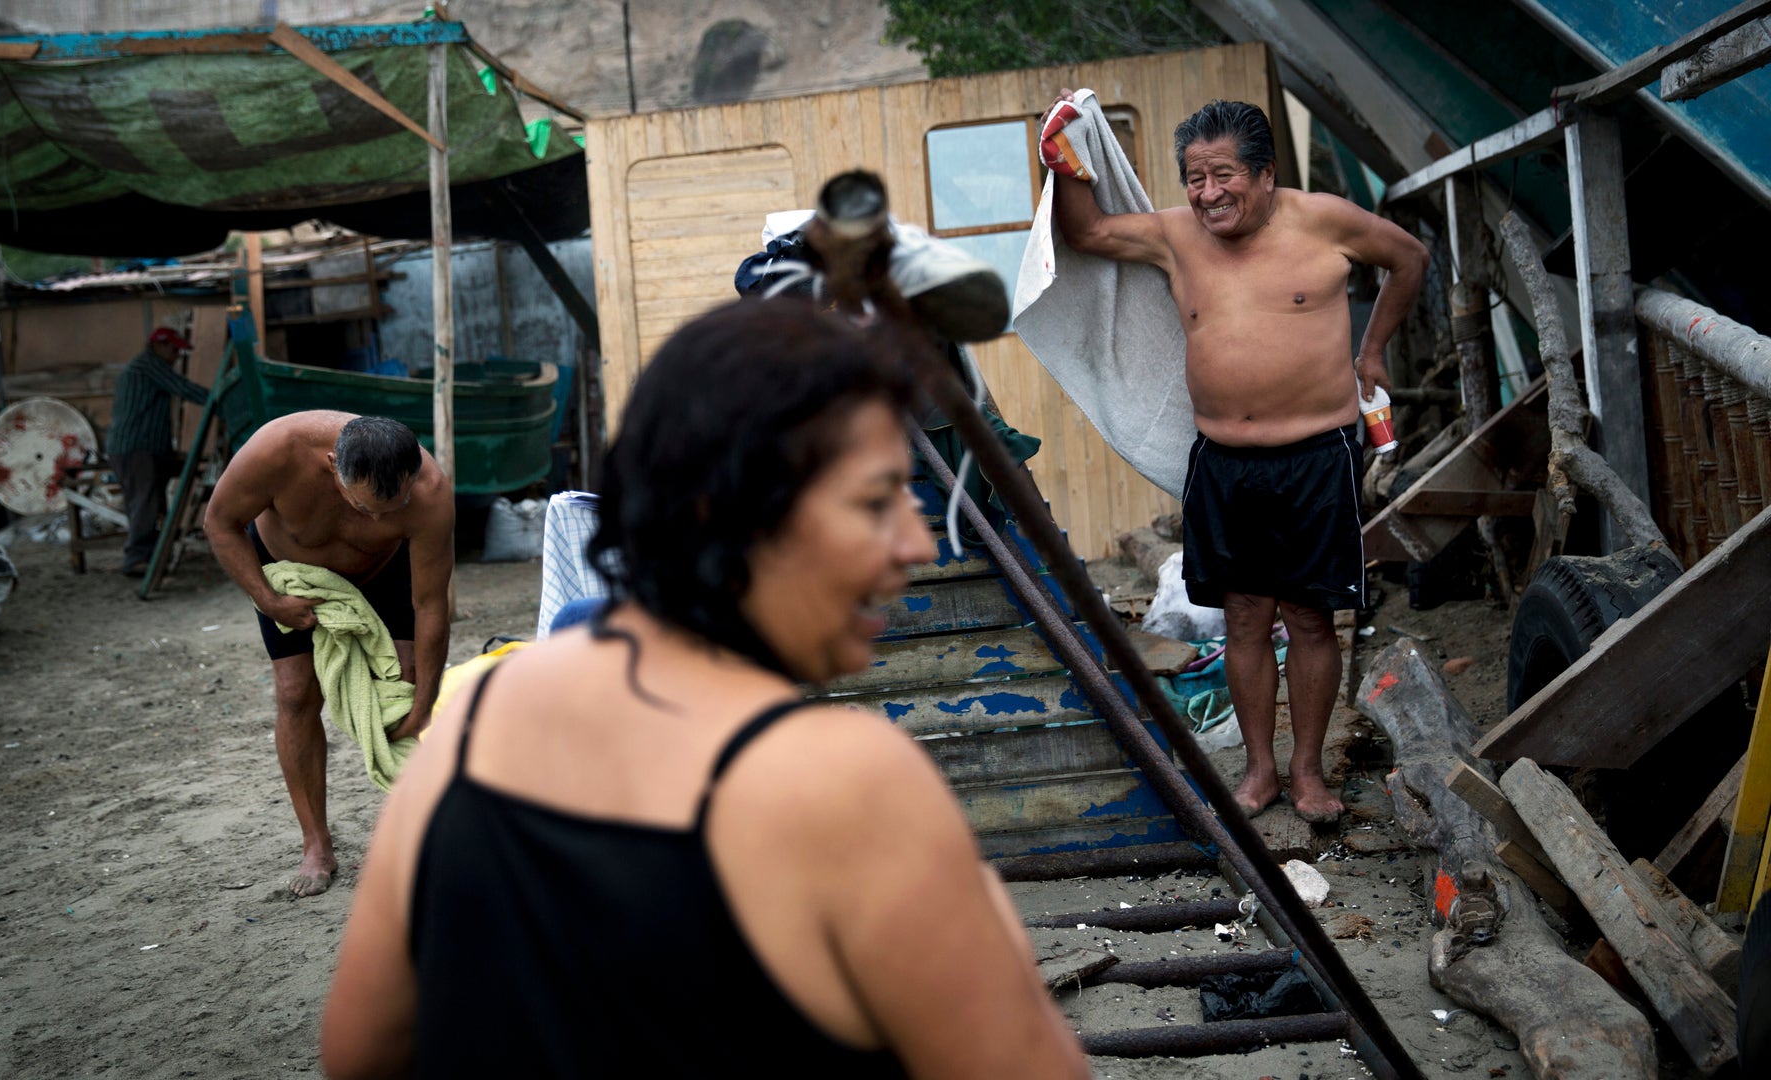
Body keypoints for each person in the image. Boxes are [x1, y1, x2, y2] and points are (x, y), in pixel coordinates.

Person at [320, 300, 1088, 1079]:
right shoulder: (851, 782)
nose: (918, 542)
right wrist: (995, 933)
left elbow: (356, 1053)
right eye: (873, 501)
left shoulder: (474, 728)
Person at [1046, 95, 1428, 823]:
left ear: (1265, 174)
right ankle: (1260, 772)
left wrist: (1373, 349)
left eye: (1224, 175)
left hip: (1316, 457)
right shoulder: (1176, 236)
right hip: (1224, 463)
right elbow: (1087, 231)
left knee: (1310, 619)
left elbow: (1409, 258)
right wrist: (1065, 157)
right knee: (1245, 619)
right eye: (1195, 178)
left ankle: (1308, 773)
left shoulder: (1325, 221)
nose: (1208, 193)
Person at [202, 412, 454, 897]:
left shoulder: (430, 494)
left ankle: (421, 830)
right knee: (295, 692)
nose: (377, 520)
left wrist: (424, 704)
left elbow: (430, 606)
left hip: (385, 570)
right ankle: (316, 844)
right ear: (333, 465)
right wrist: (269, 600)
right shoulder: (278, 449)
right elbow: (219, 522)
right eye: (363, 506)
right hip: (290, 573)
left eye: (392, 509)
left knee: (404, 685)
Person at [105, 326, 210, 577]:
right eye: (173, 350)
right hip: (135, 448)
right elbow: (184, 389)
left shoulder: (147, 366)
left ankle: (152, 555)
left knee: (149, 502)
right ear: (158, 346)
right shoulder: (149, 365)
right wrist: (219, 399)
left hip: (143, 448)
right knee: (145, 502)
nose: (176, 356)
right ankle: (136, 559)